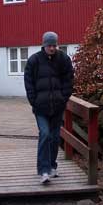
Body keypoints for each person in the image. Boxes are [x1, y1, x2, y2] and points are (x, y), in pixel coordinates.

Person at [24, 31, 74, 184]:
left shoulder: (63, 59)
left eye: (54, 45)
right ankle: (44, 171)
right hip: (41, 107)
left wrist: (63, 97)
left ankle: (52, 166)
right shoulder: (34, 61)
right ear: (44, 45)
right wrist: (34, 101)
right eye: (49, 45)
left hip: (57, 106)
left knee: (54, 138)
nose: (52, 48)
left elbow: (69, 79)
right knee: (45, 134)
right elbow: (28, 82)